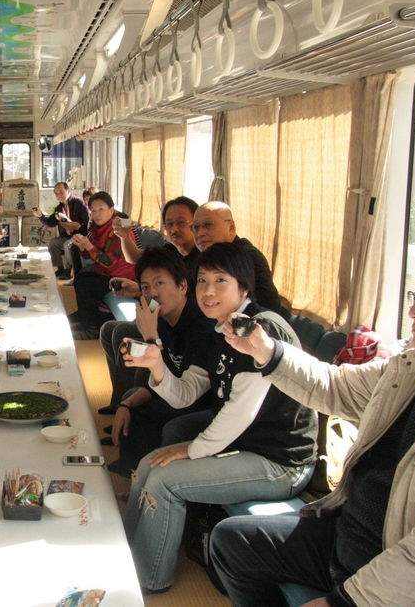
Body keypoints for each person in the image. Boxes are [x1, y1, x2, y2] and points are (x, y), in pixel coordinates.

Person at [209, 281, 415, 607]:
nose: (412, 311)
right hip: (347, 533)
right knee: (231, 542)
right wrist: (266, 351)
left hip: (387, 560)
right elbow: (336, 386)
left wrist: (344, 601)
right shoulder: (411, 365)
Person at [121, 242, 317, 594]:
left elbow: (241, 412)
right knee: (150, 463)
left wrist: (193, 449)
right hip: (244, 446)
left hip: (280, 461)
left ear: (243, 287)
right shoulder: (219, 331)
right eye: (202, 280)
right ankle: (126, 554)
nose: (208, 291)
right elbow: (186, 392)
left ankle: (147, 579)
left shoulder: (259, 332)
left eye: (220, 280)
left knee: (167, 480)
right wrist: (157, 367)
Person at [98, 247, 216, 475]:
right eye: (145, 287)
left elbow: (186, 394)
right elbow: (165, 378)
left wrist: (151, 337)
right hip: (177, 392)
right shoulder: (163, 318)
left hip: (201, 401)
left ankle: (145, 477)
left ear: (183, 286)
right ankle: (131, 471)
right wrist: (126, 404)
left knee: (160, 419)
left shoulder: (201, 326)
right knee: (130, 400)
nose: (153, 293)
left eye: (160, 283)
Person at [96, 197, 201, 414]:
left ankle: (129, 403)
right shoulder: (172, 251)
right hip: (165, 320)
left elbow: (179, 301)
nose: (174, 228)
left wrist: (150, 331)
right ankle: (121, 402)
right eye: (169, 224)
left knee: (127, 336)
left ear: (196, 224)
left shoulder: (204, 260)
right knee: (111, 330)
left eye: (182, 222)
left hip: (179, 327)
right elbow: (140, 263)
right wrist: (137, 289)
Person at [68, 191, 137, 340]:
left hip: (122, 277)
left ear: (111, 210)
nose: (97, 214)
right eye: (93, 210)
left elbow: (108, 261)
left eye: (101, 209)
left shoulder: (117, 230)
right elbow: (93, 256)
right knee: (80, 278)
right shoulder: (98, 229)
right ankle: (84, 317)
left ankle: (92, 329)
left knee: (87, 284)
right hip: (107, 272)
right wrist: (82, 247)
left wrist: (88, 246)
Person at [192, 201, 283, 314]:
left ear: (231, 227)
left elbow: (268, 305)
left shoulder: (247, 257)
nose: (200, 233)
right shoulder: (204, 257)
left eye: (208, 224)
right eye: (195, 227)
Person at [33, 181, 90, 281]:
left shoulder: (79, 202)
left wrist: (76, 226)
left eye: (61, 192)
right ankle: (60, 268)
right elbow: (50, 223)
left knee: (67, 245)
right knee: (53, 243)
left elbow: (87, 222)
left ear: (68, 191)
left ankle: (67, 270)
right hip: (66, 236)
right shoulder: (59, 208)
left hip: (80, 236)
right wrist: (40, 216)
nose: (59, 195)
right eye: (56, 193)